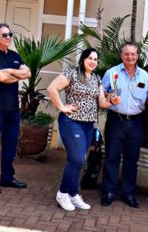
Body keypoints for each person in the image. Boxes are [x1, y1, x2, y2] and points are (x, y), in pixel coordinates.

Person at [46, 48, 111, 211]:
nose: (93, 61)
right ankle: (62, 193)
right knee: (77, 159)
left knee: (79, 159)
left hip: (88, 125)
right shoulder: (72, 73)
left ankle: (73, 194)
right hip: (71, 122)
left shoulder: (97, 78)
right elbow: (52, 88)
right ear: (83, 59)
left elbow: (101, 102)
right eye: (90, 58)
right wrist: (62, 107)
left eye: (96, 59)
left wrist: (112, 101)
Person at [101, 42, 148, 208]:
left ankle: (128, 193)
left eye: (133, 54)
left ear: (137, 55)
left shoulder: (144, 76)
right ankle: (109, 192)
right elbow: (101, 94)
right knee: (111, 157)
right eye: (127, 54)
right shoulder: (111, 73)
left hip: (136, 122)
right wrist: (109, 96)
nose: (130, 57)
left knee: (132, 159)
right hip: (115, 120)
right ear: (121, 56)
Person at [0, 23, 31, 193]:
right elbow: (1, 77)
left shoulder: (15, 55)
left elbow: (28, 73)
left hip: (12, 107)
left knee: (11, 143)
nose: (9, 37)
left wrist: (9, 73)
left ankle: (7, 178)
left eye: (10, 34)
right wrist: (13, 73)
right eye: (5, 35)